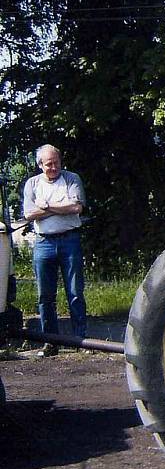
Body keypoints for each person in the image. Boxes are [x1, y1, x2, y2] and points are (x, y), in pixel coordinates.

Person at [22, 145, 88, 356]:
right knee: (45, 295)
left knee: (75, 292)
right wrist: (61, 208)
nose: (53, 167)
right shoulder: (32, 184)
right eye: (48, 164)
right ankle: (50, 342)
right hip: (43, 243)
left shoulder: (71, 179)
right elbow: (29, 214)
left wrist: (47, 208)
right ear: (40, 165)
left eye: (56, 162)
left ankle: (81, 340)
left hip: (70, 240)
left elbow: (77, 207)